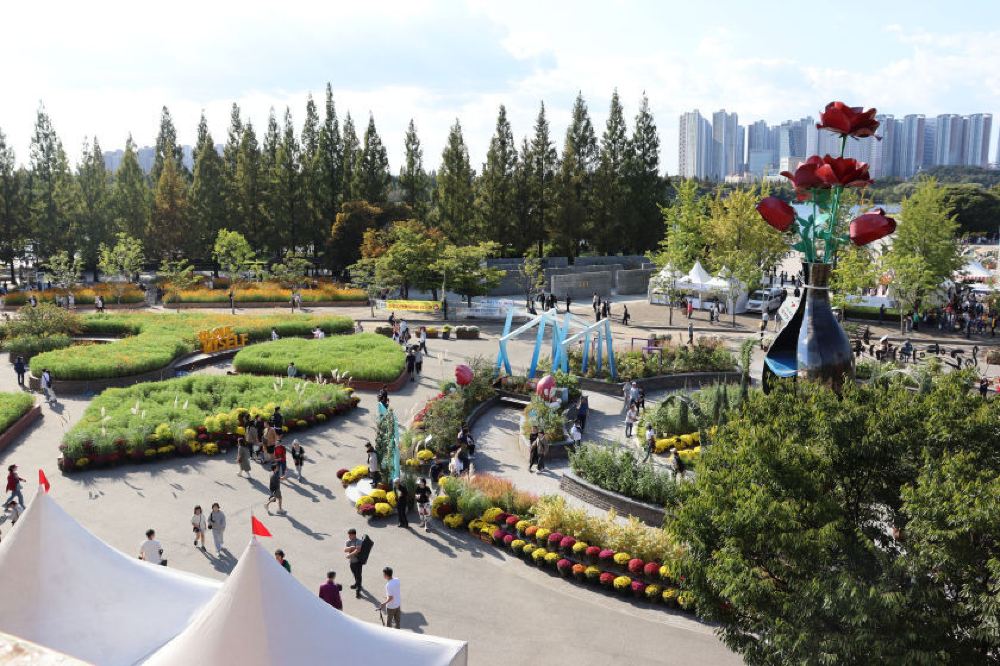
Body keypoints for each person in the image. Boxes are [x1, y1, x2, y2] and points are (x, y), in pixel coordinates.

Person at [345, 529, 364, 597]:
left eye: (350, 535)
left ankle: (358, 590)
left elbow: (358, 550)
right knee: (355, 574)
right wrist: (351, 547)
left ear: (354, 535)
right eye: (349, 535)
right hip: (352, 562)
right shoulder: (348, 541)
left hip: (358, 562)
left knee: (358, 576)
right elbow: (345, 550)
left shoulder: (359, 541)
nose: (349, 536)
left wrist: (350, 554)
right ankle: (356, 584)